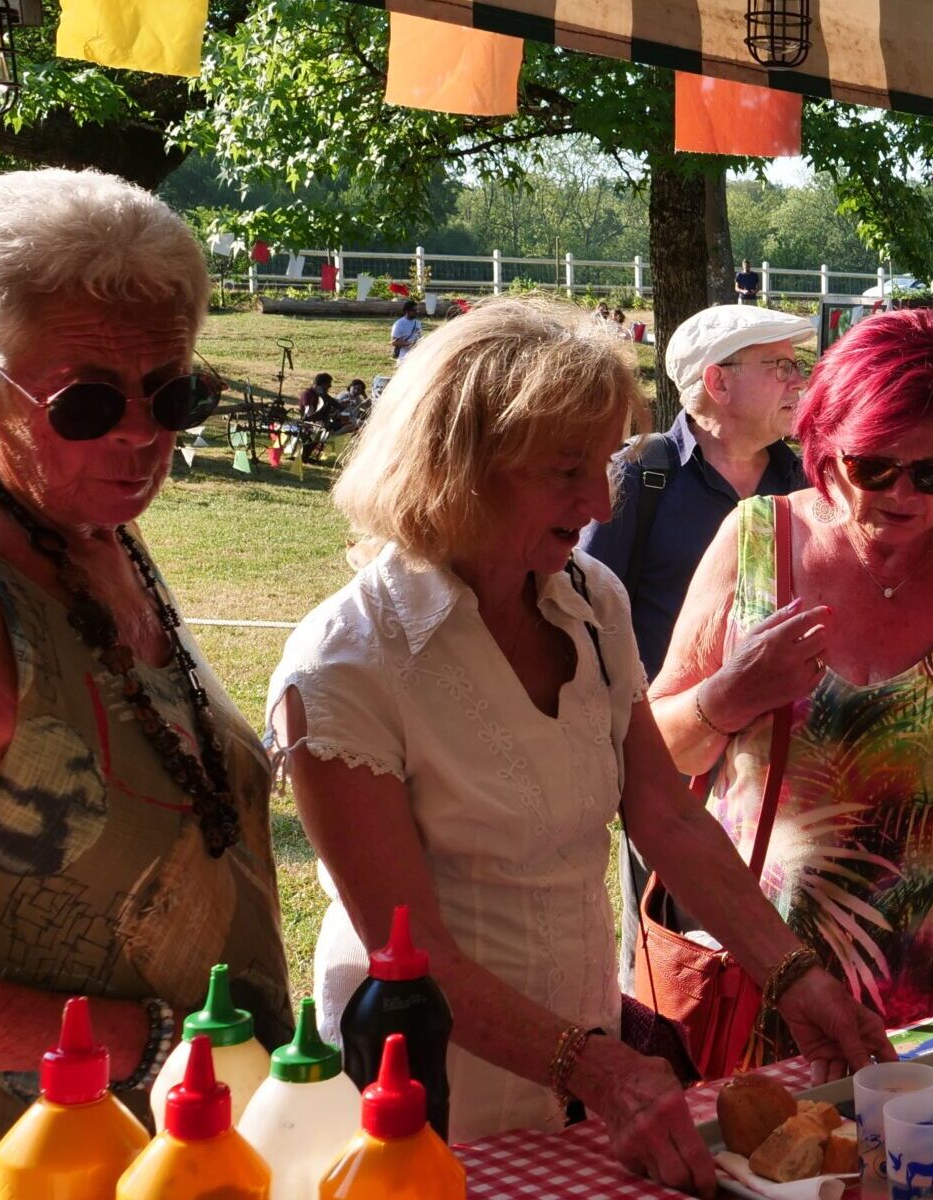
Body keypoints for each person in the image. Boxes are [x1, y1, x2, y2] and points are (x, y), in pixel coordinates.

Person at [270, 297, 891, 1191]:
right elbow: (410, 954)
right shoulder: (347, 665)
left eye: (602, 465)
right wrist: (597, 1068)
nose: (599, 501)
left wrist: (795, 977)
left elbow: (666, 819)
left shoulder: (588, 600)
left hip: (575, 1077)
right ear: (462, 468)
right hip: (424, 1102)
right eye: (565, 472)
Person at [0, 169, 291, 1190]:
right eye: (88, 400)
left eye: (177, 392)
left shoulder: (84, 526)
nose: (142, 433)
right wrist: (137, 1044)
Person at [649, 308, 933, 1056]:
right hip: (757, 987)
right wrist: (726, 697)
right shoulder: (758, 542)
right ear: (825, 445)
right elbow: (660, 752)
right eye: (873, 466)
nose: (903, 495)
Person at [583, 303, 815, 679]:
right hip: (656, 728)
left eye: (796, 366)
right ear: (718, 383)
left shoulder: (803, 483)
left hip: (778, 730)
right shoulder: (638, 474)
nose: (799, 382)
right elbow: (583, 613)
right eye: (780, 367)